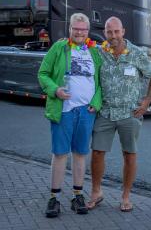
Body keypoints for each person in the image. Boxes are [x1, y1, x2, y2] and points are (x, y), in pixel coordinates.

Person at [88, 16, 151, 212]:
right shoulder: (100, 52)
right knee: (97, 152)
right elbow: (79, 49)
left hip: (130, 113)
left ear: (123, 31)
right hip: (106, 111)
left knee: (129, 154)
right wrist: (65, 43)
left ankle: (126, 196)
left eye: (116, 32)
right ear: (105, 33)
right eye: (109, 32)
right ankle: (96, 192)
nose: (113, 36)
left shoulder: (136, 53)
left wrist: (146, 102)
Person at [38, 13, 102, 218]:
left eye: (83, 29)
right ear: (70, 29)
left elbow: (100, 82)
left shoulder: (94, 51)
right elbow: (43, 74)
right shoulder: (59, 48)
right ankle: (54, 198)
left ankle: (77, 195)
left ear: (88, 30)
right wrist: (55, 90)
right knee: (59, 154)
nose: (80, 32)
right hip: (64, 110)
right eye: (76, 28)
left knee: (81, 154)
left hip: (86, 111)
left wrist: (96, 102)